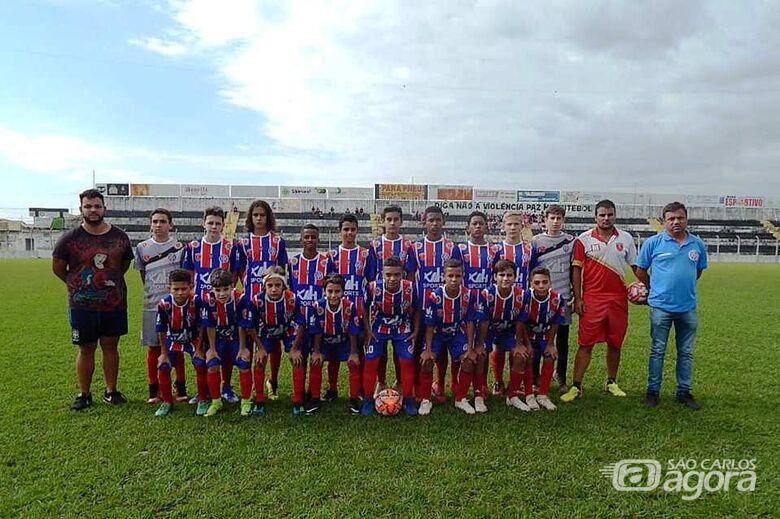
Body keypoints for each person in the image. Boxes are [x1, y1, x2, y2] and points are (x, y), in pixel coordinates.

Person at [52, 188, 134, 411]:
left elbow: (124, 265)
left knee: (111, 346)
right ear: (81, 209)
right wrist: (77, 285)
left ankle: (111, 391)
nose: (93, 210)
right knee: (86, 348)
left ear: (104, 208)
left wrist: (110, 281)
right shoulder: (70, 238)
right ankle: (84, 394)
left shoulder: (119, 237)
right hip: (81, 305)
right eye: (88, 206)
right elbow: (58, 268)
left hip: (114, 303)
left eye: (97, 206)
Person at [561, 200, 638, 403]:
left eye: (610, 214)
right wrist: (578, 298)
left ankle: (611, 382)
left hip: (618, 300)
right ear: (595, 216)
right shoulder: (583, 239)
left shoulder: (626, 238)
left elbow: (636, 267)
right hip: (592, 299)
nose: (606, 218)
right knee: (585, 344)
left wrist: (646, 286)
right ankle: (576, 386)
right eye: (602, 215)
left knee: (615, 343)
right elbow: (576, 270)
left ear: (615, 215)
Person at [635, 202, 707, 410]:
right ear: (664, 221)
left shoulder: (697, 244)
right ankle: (652, 391)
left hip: (687, 307)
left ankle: (684, 392)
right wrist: (653, 287)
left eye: (680, 218)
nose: (676, 222)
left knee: (686, 351)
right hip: (660, 307)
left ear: (686, 219)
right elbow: (640, 270)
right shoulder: (653, 243)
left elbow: (698, 271)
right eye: (671, 219)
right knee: (657, 350)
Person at [230, 200, 288, 401]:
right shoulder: (242, 243)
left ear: (268, 217)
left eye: (262, 215)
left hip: (272, 301)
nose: (259, 219)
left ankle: (272, 381)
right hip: (250, 301)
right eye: (255, 215)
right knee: (250, 341)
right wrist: (246, 292)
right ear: (250, 218)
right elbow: (237, 271)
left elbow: (281, 270)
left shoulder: (277, 242)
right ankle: (253, 387)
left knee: (274, 341)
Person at [182, 206, 239, 403]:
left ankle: (227, 387)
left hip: (223, 304)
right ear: (203, 223)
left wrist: (227, 295)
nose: (214, 226)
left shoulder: (230, 247)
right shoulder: (192, 247)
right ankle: (203, 390)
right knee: (202, 345)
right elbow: (188, 276)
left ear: (224, 225)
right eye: (210, 222)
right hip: (200, 304)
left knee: (226, 346)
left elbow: (233, 276)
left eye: (218, 223)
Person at [134, 208, 187, 404]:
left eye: (162, 221)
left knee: (178, 347)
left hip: (176, 306)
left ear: (170, 224)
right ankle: (153, 390)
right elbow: (143, 275)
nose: (158, 225)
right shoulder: (142, 247)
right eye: (155, 221)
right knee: (153, 348)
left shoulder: (180, 247)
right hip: (151, 305)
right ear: (150, 224)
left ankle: (180, 388)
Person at [413, 206, 462, 403]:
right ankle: (419, 388)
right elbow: (410, 276)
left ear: (443, 222)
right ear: (424, 222)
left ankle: (441, 385)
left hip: (446, 307)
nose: (434, 223)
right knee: (421, 349)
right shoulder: (415, 248)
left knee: (441, 351)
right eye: (430, 220)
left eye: (438, 220)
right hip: (422, 307)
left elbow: (457, 276)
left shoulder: (452, 247)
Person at [361, 256, 420, 416]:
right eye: (388, 275)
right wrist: (368, 330)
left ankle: (407, 398)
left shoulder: (411, 288)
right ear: (382, 274)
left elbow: (417, 309)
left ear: (402, 274)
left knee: (407, 360)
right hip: (378, 328)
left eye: (396, 274)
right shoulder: (373, 288)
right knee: (371, 359)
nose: (392, 278)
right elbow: (364, 308)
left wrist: (415, 330)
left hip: (402, 327)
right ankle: (367, 399)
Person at [327, 214, 377, 404]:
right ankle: (332, 389)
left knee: (360, 350)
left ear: (357, 230)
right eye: (345, 229)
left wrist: (367, 306)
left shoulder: (365, 254)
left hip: (359, 311)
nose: (349, 233)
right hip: (335, 311)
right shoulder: (331, 256)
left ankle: (361, 389)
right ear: (340, 231)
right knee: (333, 350)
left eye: (353, 229)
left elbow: (370, 283)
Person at [238, 267, 301, 416]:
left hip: (287, 330)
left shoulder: (292, 299)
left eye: (278, 285)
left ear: (284, 286)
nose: (273, 289)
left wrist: (294, 347)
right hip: (265, 331)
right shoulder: (257, 300)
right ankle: (259, 400)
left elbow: (300, 323)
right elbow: (251, 326)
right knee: (259, 360)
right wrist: (260, 348)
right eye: (270, 285)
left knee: (297, 359)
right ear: (264, 286)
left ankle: (298, 401)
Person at [420, 259, 479, 415]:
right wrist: (427, 349)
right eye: (450, 275)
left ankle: (460, 399)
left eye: (457, 276)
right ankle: (426, 400)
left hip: (457, 333)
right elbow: (430, 325)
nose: (454, 279)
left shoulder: (468, 295)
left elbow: (471, 321)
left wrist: (471, 348)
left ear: (463, 276)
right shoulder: (435, 296)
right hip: (438, 334)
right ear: (443, 276)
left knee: (469, 360)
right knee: (426, 361)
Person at [288, 223, 336, 412]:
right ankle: (298, 397)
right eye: (306, 237)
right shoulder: (293, 263)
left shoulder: (326, 262)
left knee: (317, 357)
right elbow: (290, 291)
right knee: (299, 356)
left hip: (320, 319)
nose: (310, 240)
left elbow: (331, 289)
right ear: (301, 239)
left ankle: (314, 396)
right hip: (298, 319)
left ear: (318, 239)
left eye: (313, 237)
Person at [490, 210, 538, 396]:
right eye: (509, 224)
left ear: (522, 226)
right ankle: (498, 382)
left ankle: (515, 383)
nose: (512, 227)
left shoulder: (529, 249)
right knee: (498, 345)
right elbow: (492, 274)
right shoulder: (497, 249)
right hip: (500, 302)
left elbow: (533, 273)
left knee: (519, 343)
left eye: (516, 224)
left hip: (522, 302)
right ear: (503, 226)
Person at [368, 205, 417, 392]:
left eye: (396, 219)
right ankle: (380, 382)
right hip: (380, 303)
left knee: (400, 349)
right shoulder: (375, 245)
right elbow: (372, 275)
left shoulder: (407, 245)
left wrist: (409, 300)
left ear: (401, 221)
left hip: (402, 304)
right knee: (380, 350)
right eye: (389, 219)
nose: (392, 223)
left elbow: (410, 275)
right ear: (383, 221)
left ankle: (399, 382)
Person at [531, 204, 574, 394]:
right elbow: (530, 269)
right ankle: (534, 378)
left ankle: (561, 376)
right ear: (545, 220)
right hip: (541, 299)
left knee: (562, 341)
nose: (555, 222)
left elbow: (575, 269)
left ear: (563, 220)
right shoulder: (535, 241)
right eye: (552, 218)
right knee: (537, 339)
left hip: (563, 298)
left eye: (559, 218)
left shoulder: (571, 241)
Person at [476, 260, 530, 411]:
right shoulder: (487, 294)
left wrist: (519, 343)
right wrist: (480, 344)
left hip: (508, 332)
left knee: (520, 355)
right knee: (480, 355)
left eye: (509, 275)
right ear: (495, 277)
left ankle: (512, 396)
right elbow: (484, 322)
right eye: (502, 275)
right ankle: (479, 394)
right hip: (489, 331)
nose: (505, 278)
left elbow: (520, 321)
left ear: (515, 277)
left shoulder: (521, 295)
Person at [153, 269, 206, 417]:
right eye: (176, 289)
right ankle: (167, 401)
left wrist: (200, 348)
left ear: (191, 286)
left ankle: (202, 399)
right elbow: (161, 329)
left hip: (193, 339)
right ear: (169, 288)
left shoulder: (197, 301)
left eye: (184, 289)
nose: (180, 293)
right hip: (172, 339)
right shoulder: (164, 304)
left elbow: (202, 326)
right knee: (163, 366)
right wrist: (163, 353)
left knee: (201, 364)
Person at [457, 210, 496, 406]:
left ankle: (481, 385)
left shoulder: (493, 251)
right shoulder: (461, 250)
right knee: (463, 346)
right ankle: (458, 384)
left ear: (486, 227)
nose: (478, 227)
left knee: (483, 348)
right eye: (474, 223)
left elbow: (497, 274)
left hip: (486, 304)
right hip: (464, 304)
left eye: (481, 223)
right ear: (468, 227)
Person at [308, 274, 363, 414]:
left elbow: (353, 331)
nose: (333, 295)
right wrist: (316, 351)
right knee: (315, 361)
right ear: (324, 292)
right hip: (325, 343)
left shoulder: (349, 306)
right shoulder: (317, 306)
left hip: (343, 342)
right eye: (330, 291)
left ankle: (354, 399)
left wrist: (353, 353)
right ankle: (315, 398)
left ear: (343, 292)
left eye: (337, 291)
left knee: (353, 363)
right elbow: (317, 331)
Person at [519, 267, 567, 411]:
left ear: (550, 283)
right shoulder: (525, 297)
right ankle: (529, 395)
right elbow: (521, 323)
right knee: (527, 356)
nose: (541, 286)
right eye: (537, 282)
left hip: (544, 336)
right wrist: (526, 344)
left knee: (550, 356)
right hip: (527, 336)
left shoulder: (557, 299)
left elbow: (555, 323)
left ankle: (543, 395)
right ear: (531, 283)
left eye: (544, 282)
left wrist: (551, 344)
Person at [201, 269, 246, 417]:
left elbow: (242, 324)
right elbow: (210, 325)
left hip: (236, 338)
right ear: (212, 289)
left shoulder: (240, 298)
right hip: (218, 338)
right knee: (212, 363)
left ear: (232, 286)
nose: (222, 294)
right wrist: (212, 349)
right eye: (218, 290)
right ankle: (216, 401)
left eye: (225, 289)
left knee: (244, 363)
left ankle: (246, 402)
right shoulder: (208, 299)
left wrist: (242, 348)